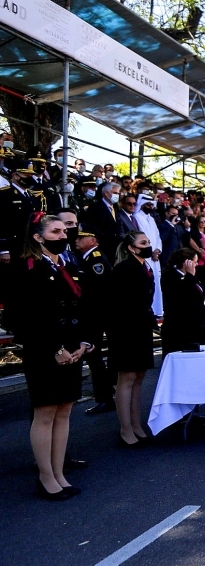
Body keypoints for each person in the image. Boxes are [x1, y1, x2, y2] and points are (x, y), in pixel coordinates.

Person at [9, 213, 93, 500]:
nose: (62, 236)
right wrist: (55, 349)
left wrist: (83, 342)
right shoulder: (27, 268)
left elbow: (82, 309)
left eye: (64, 231)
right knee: (45, 413)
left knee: (65, 410)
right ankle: (46, 477)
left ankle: (59, 473)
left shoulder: (68, 265)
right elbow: (21, 318)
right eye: (55, 232)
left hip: (72, 349)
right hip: (44, 350)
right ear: (38, 236)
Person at [109, 231, 156, 447]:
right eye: (143, 243)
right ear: (131, 247)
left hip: (142, 329)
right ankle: (125, 429)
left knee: (139, 378)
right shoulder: (124, 269)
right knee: (126, 379)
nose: (147, 246)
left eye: (148, 242)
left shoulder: (146, 268)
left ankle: (137, 425)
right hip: (126, 331)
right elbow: (119, 304)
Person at [74, 224, 116, 415]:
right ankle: (106, 395)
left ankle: (105, 397)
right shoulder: (86, 258)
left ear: (93, 240)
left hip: (95, 316)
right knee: (94, 358)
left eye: (81, 237)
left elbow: (98, 292)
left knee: (94, 357)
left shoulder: (95, 260)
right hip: (95, 315)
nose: (76, 240)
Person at [160, 248, 205, 357]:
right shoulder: (171, 276)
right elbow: (182, 296)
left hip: (196, 327)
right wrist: (190, 276)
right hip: (180, 329)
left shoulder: (193, 276)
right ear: (187, 262)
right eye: (194, 262)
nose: (196, 265)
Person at [133, 194, 163, 316]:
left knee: (156, 282)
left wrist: (157, 250)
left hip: (155, 256)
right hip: (145, 255)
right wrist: (150, 251)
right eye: (148, 204)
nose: (151, 206)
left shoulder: (151, 219)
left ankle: (157, 310)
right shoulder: (137, 217)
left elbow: (157, 237)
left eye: (152, 204)